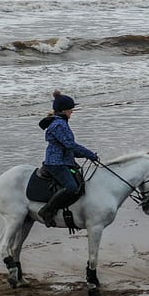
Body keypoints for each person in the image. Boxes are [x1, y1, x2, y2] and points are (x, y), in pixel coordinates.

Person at [38, 92, 100, 227]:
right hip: (56, 163)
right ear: (64, 110)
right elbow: (71, 145)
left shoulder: (61, 122)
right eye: (70, 109)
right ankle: (47, 211)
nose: (72, 112)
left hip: (66, 160)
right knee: (71, 187)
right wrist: (90, 155)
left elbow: (69, 148)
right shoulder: (59, 125)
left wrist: (84, 155)